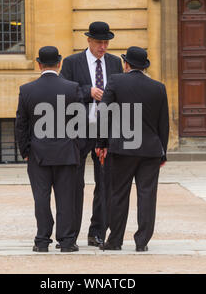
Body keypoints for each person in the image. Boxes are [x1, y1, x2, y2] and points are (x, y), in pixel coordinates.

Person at [96, 46, 170, 252]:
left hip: (123, 148)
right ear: (144, 66)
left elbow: (104, 113)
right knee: (147, 195)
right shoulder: (158, 87)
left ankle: (115, 240)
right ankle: (142, 241)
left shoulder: (116, 81)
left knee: (118, 194)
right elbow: (163, 124)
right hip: (150, 150)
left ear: (126, 64)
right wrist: (162, 151)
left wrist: (102, 143)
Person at [60, 21, 123, 247]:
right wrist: (87, 91)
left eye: (106, 42)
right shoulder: (71, 62)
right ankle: (70, 233)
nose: (103, 47)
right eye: (99, 42)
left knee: (105, 183)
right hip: (79, 129)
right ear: (88, 41)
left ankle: (97, 231)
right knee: (74, 183)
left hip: (105, 131)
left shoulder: (116, 63)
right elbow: (63, 91)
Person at [15, 46, 80, 253]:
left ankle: (42, 240)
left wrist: (25, 150)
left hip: (38, 152)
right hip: (65, 151)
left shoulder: (27, 90)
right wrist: (75, 147)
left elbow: (21, 125)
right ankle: (67, 241)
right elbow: (79, 123)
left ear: (39, 64)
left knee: (41, 198)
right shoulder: (72, 87)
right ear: (59, 63)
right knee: (66, 199)